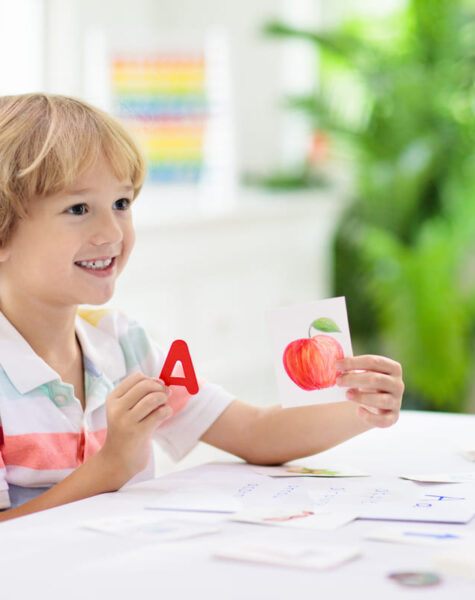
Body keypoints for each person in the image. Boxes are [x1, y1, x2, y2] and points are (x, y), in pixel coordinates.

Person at [0, 93, 404, 522]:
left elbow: (253, 431)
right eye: (78, 208)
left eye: (121, 203)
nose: (111, 231)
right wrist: (111, 466)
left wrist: (361, 408)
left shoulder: (125, 344)